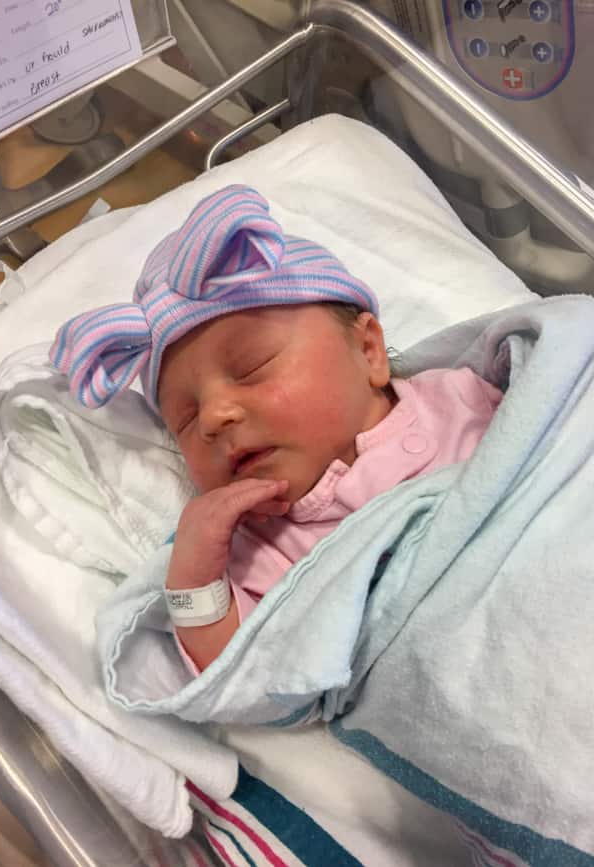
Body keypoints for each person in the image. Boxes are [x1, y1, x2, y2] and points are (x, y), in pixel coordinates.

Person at [50, 184, 502, 675]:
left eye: (251, 367)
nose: (214, 417)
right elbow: (244, 672)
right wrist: (193, 570)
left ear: (369, 351)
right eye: (184, 419)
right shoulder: (266, 547)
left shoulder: (458, 395)